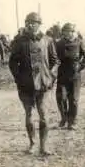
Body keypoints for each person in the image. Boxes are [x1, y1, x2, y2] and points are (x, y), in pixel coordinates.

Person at [8, 12, 59, 156]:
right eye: (28, 22)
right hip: (26, 85)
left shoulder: (48, 41)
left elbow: (55, 61)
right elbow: (12, 62)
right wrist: (19, 77)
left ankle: (44, 146)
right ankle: (32, 144)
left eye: (34, 22)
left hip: (43, 84)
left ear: (39, 24)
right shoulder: (20, 41)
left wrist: (51, 76)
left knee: (44, 115)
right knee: (29, 114)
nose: (30, 25)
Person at [55, 23, 85, 130]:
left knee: (74, 100)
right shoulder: (59, 44)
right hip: (62, 74)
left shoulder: (79, 42)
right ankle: (64, 117)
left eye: (69, 31)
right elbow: (53, 57)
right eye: (65, 31)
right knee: (61, 98)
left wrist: (79, 67)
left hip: (75, 76)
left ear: (73, 32)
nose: (67, 34)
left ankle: (72, 121)